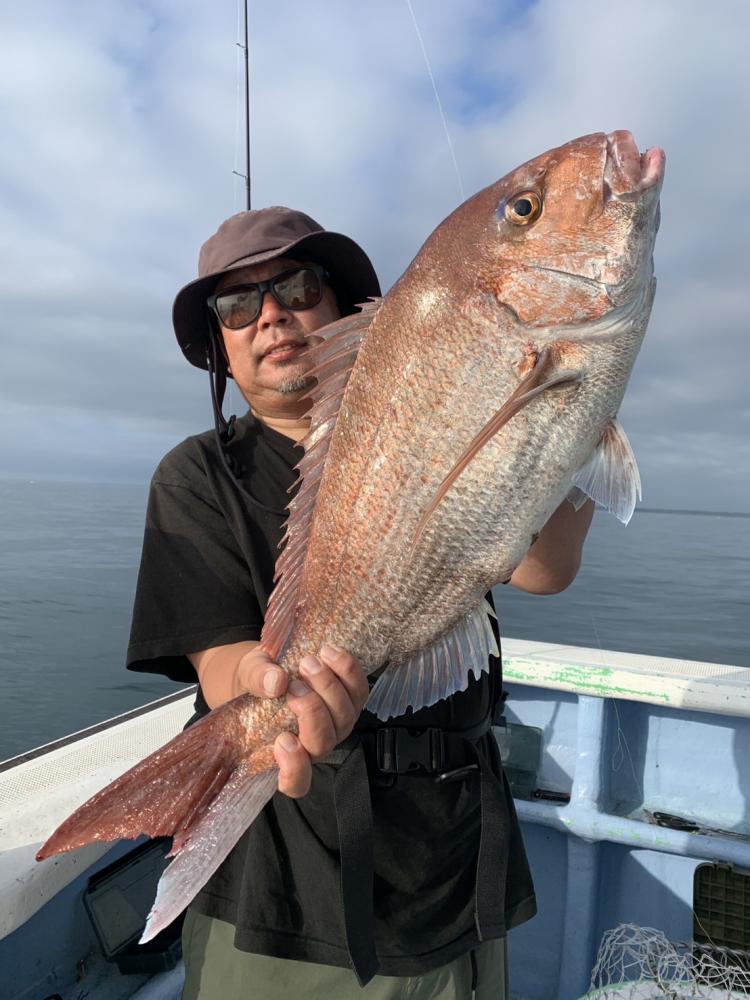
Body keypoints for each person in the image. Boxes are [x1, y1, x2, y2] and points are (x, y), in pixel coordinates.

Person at [127, 206, 594, 999]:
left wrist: (576, 397)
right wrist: (270, 692)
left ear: (346, 310)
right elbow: (220, 665)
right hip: (286, 885)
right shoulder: (197, 475)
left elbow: (544, 570)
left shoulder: (437, 421)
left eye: (297, 287)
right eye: (236, 306)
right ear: (221, 351)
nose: (270, 314)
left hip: (458, 860)